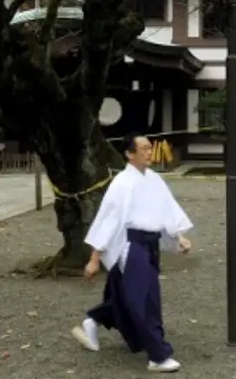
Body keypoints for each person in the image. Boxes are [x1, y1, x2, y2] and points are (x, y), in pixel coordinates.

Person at [70, 133, 194, 373]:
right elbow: (108, 220)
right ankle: (158, 355)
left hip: (150, 244)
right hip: (130, 246)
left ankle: (93, 321)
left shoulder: (154, 180)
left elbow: (167, 211)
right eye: (144, 148)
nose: (149, 152)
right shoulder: (122, 183)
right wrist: (95, 258)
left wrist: (179, 237)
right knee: (145, 298)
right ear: (130, 153)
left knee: (125, 295)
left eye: (150, 148)